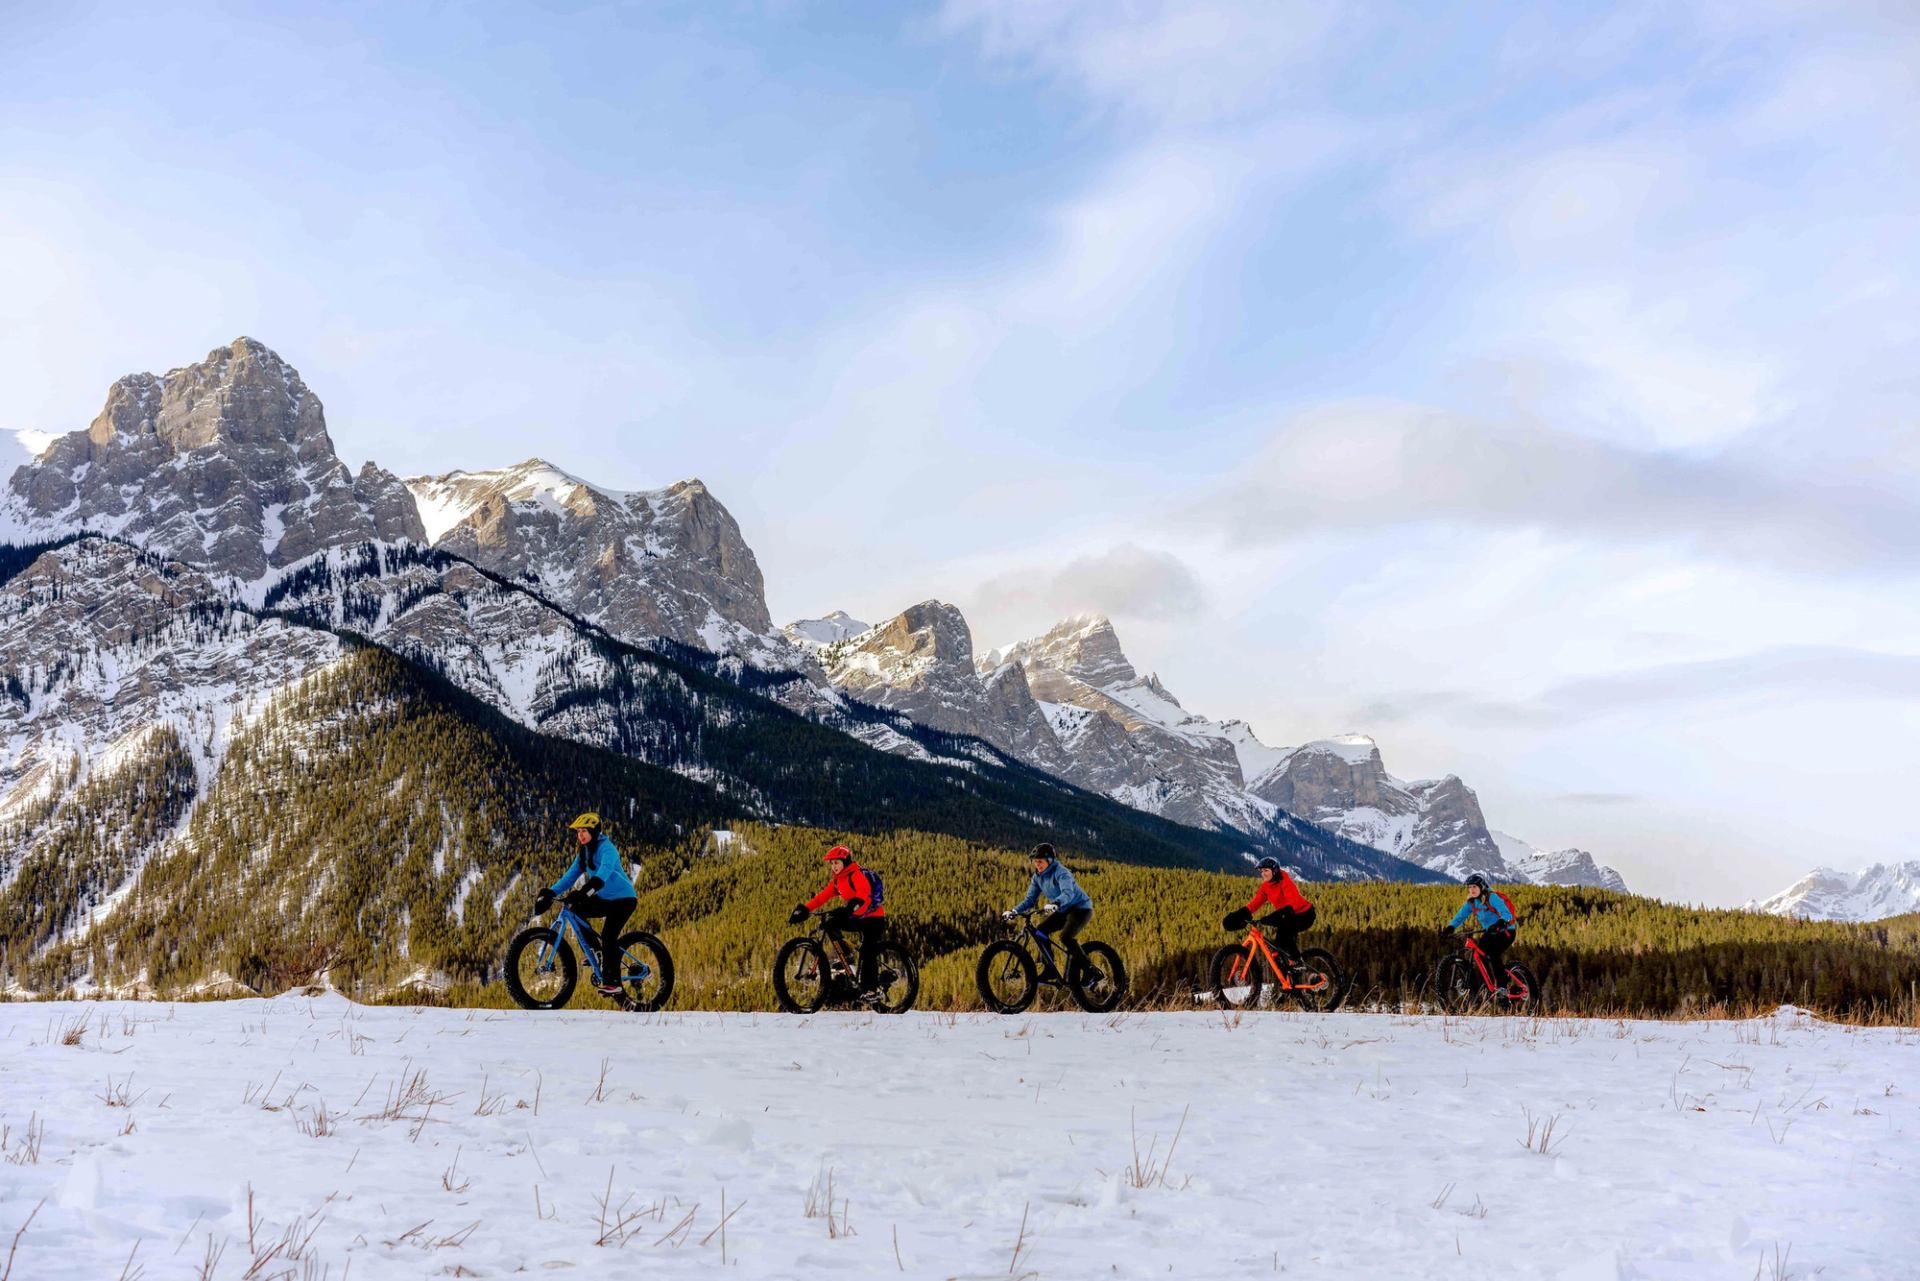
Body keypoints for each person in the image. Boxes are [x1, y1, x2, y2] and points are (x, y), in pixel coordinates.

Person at [534, 813, 640, 1006]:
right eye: (578, 832)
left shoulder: (607, 849)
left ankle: (614, 982)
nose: (580, 835)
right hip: (604, 899)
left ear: (594, 831)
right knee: (575, 910)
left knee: (609, 935)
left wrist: (583, 892)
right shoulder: (584, 852)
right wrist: (550, 893)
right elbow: (569, 877)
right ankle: (597, 952)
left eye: (584, 831)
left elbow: (602, 876)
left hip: (624, 900)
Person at [789, 845, 887, 1000]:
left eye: (837, 863)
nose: (834, 866)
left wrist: (848, 910)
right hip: (857, 916)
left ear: (845, 862)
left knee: (868, 951)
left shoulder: (856, 875)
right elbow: (822, 897)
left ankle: (872, 989)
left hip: (873, 918)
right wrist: (805, 909)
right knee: (830, 924)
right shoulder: (838, 881)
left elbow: (864, 898)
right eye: (832, 863)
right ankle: (847, 957)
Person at [1004, 843, 1093, 982]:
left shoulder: (1061, 872)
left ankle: (1089, 970)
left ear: (1050, 860)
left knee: (1066, 937)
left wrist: (1055, 903)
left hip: (1080, 908)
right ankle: (1050, 969)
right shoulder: (1037, 878)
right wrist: (1014, 911)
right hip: (1062, 910)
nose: (1037, 864)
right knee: (1040, 931)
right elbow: (1029, 900)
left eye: (1040, 861)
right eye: (1035, 861)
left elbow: (1068, 893)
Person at [1222, 856, 1314, 972]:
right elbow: (1254, 904)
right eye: (1261, 871)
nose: (1263, 874)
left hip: (1304, 914)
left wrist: (1270, 918)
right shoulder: (1266, 887)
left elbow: (1292, 904)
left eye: (1266, 870)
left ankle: (1297, 961)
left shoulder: (1285, 882)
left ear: (1274, 871)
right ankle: (1289, 982)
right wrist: (1240, 914)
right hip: (1286, 916)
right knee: (1277, 951)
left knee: (1285, 934)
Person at [1445, 873, 1517, 979]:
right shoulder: (1472, 902)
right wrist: (1450, 927)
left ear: (1481, 887)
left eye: (1474, 886)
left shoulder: (1492, 897)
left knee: (1493, 953)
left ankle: (1502, 987)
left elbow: (1506, 913)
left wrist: (1501, 922)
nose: (1472, 890)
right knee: (1480, 954)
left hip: (1506, 931)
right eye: (1469, 887)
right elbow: (1460, 916)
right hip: (1490, 932)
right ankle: (1490, 983)